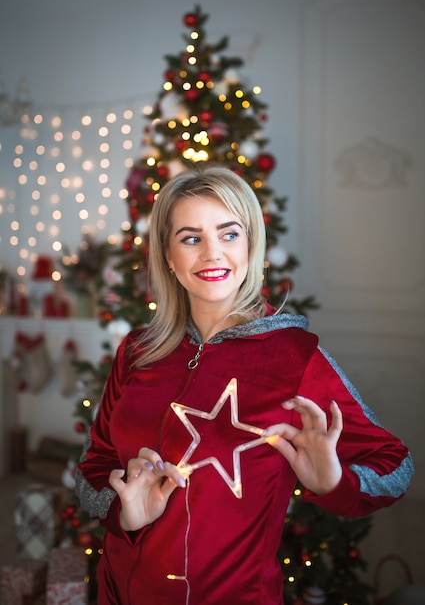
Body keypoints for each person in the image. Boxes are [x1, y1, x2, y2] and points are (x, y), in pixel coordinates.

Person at [75, 165, 413, 605]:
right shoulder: (137, 351)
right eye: (191, 238)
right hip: (118, 592)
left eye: (229, 234)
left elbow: (395, 465)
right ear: (169, 257)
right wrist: (126, 513)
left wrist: (336, 481)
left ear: (251, 245)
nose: (212, 253)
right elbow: (93, 465)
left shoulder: (295, 357)